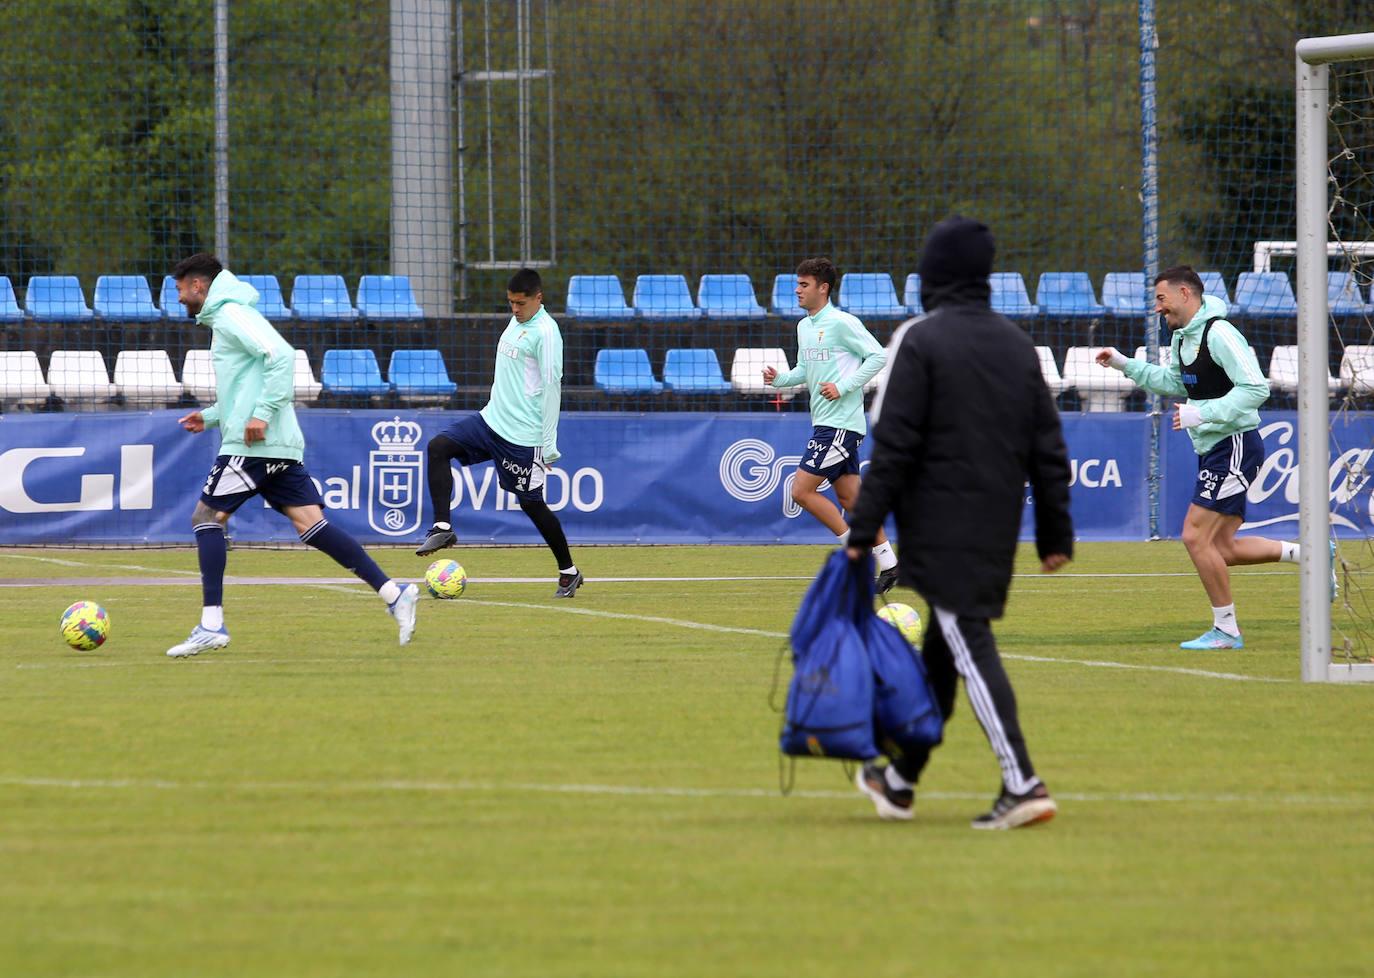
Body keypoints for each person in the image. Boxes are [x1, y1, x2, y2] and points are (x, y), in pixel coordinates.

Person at [844, 216, 1073, 830]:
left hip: (939, 527)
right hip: (996, 524)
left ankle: (1022, 782)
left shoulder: (918, 339)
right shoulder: (1016, 344)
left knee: (967, 644)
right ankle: (899, 781)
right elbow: (1047, 447)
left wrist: (861, 533)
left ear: (934, 275)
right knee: (941, 663)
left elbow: (890, 447)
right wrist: (1055, 532)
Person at [167, 253, 418, 658]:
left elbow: (281, 356)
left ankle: (211, 624)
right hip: (274, 442)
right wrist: (212, 416)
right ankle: (395, 593)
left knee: (205, 518)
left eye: (180, 289)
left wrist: (262, 415)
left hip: (255, 444)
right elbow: (247, 383)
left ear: (198, 286)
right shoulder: (226, 317)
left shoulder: (230, 314)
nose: (178, 299)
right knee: (310, 524)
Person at [1095, 265, 1334, 650]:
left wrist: (1202, 413)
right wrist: (1124, 363)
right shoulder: (1180, 338)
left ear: (1185, 294)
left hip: (1235, 444)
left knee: (1193, 535)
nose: (1158, 308)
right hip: (1215, 448)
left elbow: (1256, 387)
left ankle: (1226, 631)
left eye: (1161, 298)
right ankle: (1311, 554)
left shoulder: (1219, 333)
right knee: (1221, 548)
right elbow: (1175, 383)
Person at [415, 268, 582, 598]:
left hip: (522, 437)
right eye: (510, 303)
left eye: (520, 303)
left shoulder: (546, 334)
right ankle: (443, 528)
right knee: (438, 447)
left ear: (539, 298)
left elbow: (551, 388)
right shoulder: (518, 320)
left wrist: (549, 443)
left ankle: (569, 571)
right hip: (490, 421)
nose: (515, 310)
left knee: (531, 505)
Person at [763, 257, 899, 593]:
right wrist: (780, 379)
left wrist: (844, 387)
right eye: (797, 284)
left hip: (840, 424)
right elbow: (804, 372)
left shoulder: (841, 322)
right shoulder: (803, 326)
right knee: (852, 499)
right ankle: (890, 564)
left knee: (801, 491)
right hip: (824, 422)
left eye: (804, 285)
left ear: (823, 288)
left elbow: (879, 356)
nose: (797, 290)